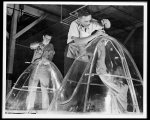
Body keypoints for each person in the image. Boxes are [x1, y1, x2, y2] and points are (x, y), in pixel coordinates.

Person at [64, 8, 111, 75]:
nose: (88, 23)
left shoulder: (91, 21)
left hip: (83, 47)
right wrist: (95, 35)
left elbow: (106, 26)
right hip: (73, 48)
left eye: (89, 20)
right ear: (79, 19)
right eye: (86, 21)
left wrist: (107, 23)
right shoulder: (74, 24)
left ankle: (102, 71)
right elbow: (77, 42)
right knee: (72, 74)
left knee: (86, 71)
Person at [26, 34, 55, 111]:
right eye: (46, 38)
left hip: (44, 69)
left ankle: (45, 109)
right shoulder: (38, 44)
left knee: (45, 89)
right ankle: (29, 108)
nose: (47, 40)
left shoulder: (51, 46)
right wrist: (39, 44)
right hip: (35, 68)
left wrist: (46, 61)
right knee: (31, 88)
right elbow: (31, 46)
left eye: (49, 39)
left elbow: (51, 56)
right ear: (43, 37)